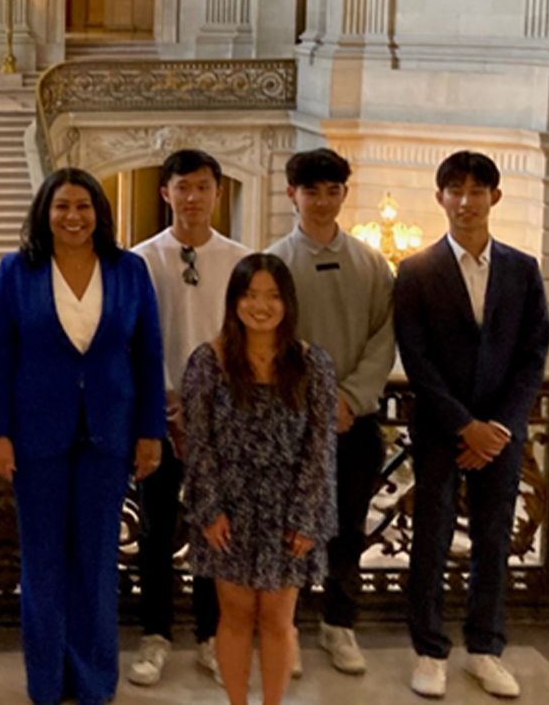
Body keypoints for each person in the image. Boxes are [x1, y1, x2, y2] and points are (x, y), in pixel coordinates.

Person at [0, 168, 165, 705]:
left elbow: (149, 353)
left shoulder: (129, 270)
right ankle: (45, 681)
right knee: (41, 563)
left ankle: (91, 682)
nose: (73, 216)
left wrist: (150, 430)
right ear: (45, 212)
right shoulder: (17, 271)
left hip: (109, 433)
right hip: (35, 434)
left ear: (99, 213)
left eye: (83, 206)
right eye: (61, 206)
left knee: (96, 561)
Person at [396, 151, 549, 700]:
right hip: (442, 430)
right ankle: (430, 650)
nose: (466, 201)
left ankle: (485, 648)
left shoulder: (522, 268)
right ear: (439, 198)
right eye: (454, 190)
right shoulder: (416, 271)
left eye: (477, 190)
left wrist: (501, 428)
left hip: (502, 437)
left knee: (493, 540)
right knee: (431, 540)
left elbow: (533, 354)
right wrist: (465, 426)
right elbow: (416, 358)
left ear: (495, 197)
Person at [181, 253, 338, 705]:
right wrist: (209, 510)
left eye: (271, 296)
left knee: (276, 617)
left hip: (288, 510)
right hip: (228, 510)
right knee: (233, 616)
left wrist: (307, 516)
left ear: (287, 302)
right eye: (250, 295)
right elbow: (199, 443)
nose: (261, 306)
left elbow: (320, 445)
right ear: (234, 302)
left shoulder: (313, 364)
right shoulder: (208, 363)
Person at [266, 147, 394, 676]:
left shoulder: (371, 263)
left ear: (344, 193)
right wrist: (319, 402)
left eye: (332, 190)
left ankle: (339, 625)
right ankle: (286, 628)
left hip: (355, 421)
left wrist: (350, 398)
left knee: (347, 529)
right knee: (290, 526)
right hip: (294, 421)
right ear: (292, 194)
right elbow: (270, 339)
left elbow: (384, 337)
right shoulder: (275, 263)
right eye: (311, 190)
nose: (322, 201)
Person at [127, 149, 247, 687]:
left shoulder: (240, 261)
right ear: (165, 193)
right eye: (183, 187)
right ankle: (156, 634)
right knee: (154, 531)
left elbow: (247, 338)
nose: (193, 198)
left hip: (220, 419)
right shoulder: (139, 260)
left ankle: (210, 635)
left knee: (213, 529)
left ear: (218, 193)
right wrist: (159, 403)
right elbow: (128, 340)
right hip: (158, 415)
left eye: (203, 187)